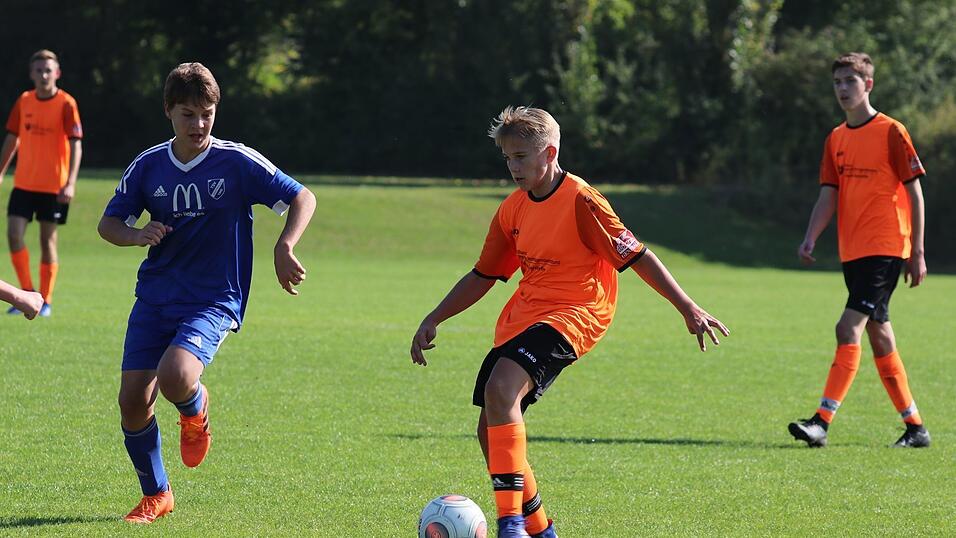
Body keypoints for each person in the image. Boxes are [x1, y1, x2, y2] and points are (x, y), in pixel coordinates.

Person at [410, 106, 730, 538]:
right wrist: (435, 317)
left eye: (522, 156)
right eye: (507, 157)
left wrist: (687, 307)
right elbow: (485, 274)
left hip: (576, 313)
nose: (513, 167)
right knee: (491, 429)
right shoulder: (512, 210)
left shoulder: (582, 201)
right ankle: (542, 531)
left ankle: (511, 526)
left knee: (501, 388)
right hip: (525, 317)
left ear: (550, 152)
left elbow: (637, 255)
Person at [98, 62, 316, 524]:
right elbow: (108, 224)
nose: (199, 124)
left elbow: (302, 197)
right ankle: (157, 494)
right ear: (168, 112)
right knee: (132, 401)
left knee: (175, 375)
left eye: (207, 113)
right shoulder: (149, 165)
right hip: (156, 297)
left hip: (213, 298)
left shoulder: (236, 161)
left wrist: (285, 244)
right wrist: (136, 235)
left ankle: (195, 410)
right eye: (187, 114)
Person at [788, 52, 930, 449]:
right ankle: (916, 427)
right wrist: (811, 236)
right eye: (837, 83)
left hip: (886, 248)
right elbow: (827, 195)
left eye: (850, 81)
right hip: (852, 250)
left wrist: (917, 252)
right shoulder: (836, 139)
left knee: (847, 327)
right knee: (879, 335)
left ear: (868, 85)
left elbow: (915, 193)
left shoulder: (891, 131)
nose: (842, 89)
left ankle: (821, 421)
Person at [0, 49, 83, 317]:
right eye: (39, 70)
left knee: (48, 242)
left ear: (57, 73)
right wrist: (1, 171)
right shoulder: (24, 101)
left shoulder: (66, 103)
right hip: (24, 183)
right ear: (31, 74)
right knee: (13, 235)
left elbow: (76, 144)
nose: (44, 74)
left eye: (48, 70)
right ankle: (25, 293)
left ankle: (45, 300)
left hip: (53, 187)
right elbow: (12, 139)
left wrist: (70, 182)